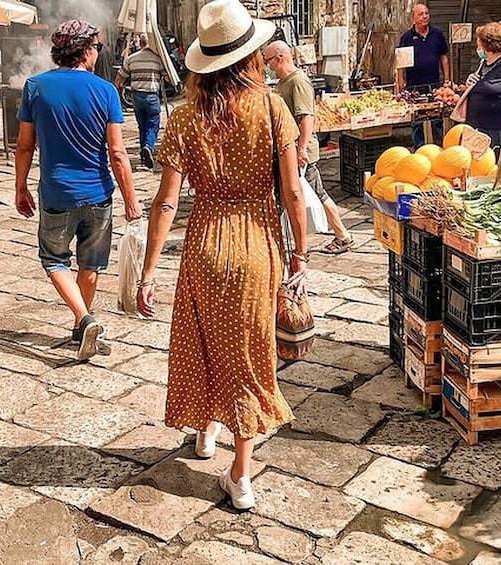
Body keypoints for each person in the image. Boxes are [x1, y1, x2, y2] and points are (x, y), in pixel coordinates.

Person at [135, 0, 305, 511]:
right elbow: (294, 192)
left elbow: (166, 201)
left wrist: (147, 272)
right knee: (250, 355)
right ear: (253, 55)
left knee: (204, 341)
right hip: (257, 244)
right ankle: (241, 475)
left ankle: (206, 432)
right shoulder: (273, 108)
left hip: (205, 241)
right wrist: (300, 253)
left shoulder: (184, 117)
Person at [15, 20, 142, 360]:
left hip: (56, 193)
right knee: (91, 264)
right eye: (97, 48)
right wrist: (131, 200)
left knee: (54, 260)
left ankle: (83, 322)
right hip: (98, 193)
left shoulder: (35, 87)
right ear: (86, 51)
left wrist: (20, 188)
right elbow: (117, 152)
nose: (98, 53)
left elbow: (25, 146)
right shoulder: (106, 91)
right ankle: (82, 323)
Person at [263, 40, 354, 255]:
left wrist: (301, 148)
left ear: (280, 58)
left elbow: (306, 117)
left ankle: (343, 236)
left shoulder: (298, 82)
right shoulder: (283, 82)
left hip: (300, 151)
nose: (267, 66)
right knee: (302, 193)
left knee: (318, 194)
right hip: (290, 150)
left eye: (268, 61)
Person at [397, 3, 450, 148]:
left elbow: (443, 57)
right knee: (417, 119)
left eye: (426, 13)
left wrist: (447, 79)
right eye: (421, 14)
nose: (425, 16)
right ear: (413, 17)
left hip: (434, 84)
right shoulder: (406, 38)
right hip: (414, 85)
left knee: (436, 117)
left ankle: (438, 147)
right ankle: (419, 148)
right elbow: (401, 62)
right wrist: (401, 83)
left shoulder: (437, 34)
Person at [115, 34, 165, 171]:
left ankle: (144, 156)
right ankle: (148, 147)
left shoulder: (131, 59)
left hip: (137, 97)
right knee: (153, 125)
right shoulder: (157, 59)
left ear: (140, 43)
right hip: (152, 96)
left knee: (142, 126)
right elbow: (166, 77)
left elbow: (119, 79)